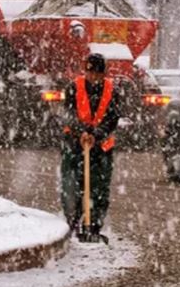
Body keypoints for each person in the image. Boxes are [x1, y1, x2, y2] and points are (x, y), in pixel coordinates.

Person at [59, 53, 120, 242]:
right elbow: (67, 113)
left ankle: (93, 227)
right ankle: (73, 225)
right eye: (90, 73)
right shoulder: (73, 87)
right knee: (72, 186)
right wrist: (82, 132)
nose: (93, 77)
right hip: (75, 146)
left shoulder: (112, 90)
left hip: (101, 147)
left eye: (97, 74)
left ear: (103, 74)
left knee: (99, 189)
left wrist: (97, 134)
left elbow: (112, 118)